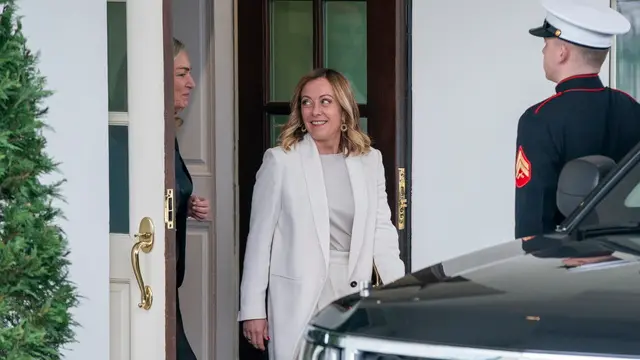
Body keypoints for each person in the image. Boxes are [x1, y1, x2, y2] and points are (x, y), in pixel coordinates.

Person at [238, 68, 405, 359]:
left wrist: (398, 292)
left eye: (325, 101)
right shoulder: (280, 162)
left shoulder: (369, 160)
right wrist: (252, 309)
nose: (315, 111)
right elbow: (259, 240)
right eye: (306, 102)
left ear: (343, 108)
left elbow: (381, 229)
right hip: (298, 295)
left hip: (352, 290)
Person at [514, 0, 640, 240]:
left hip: (563, 262)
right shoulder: (632, 108)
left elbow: (533, 220)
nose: (543, 51)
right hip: (623, 254)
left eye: (546, 43)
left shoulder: (539, 119)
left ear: (562, 52)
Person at [172, 37, 211, 360]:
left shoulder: (166, 133)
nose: (191, 83)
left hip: (170, 284)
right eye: (182, 73)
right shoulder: (141, 133)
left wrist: (185, 206)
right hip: (152, 280)